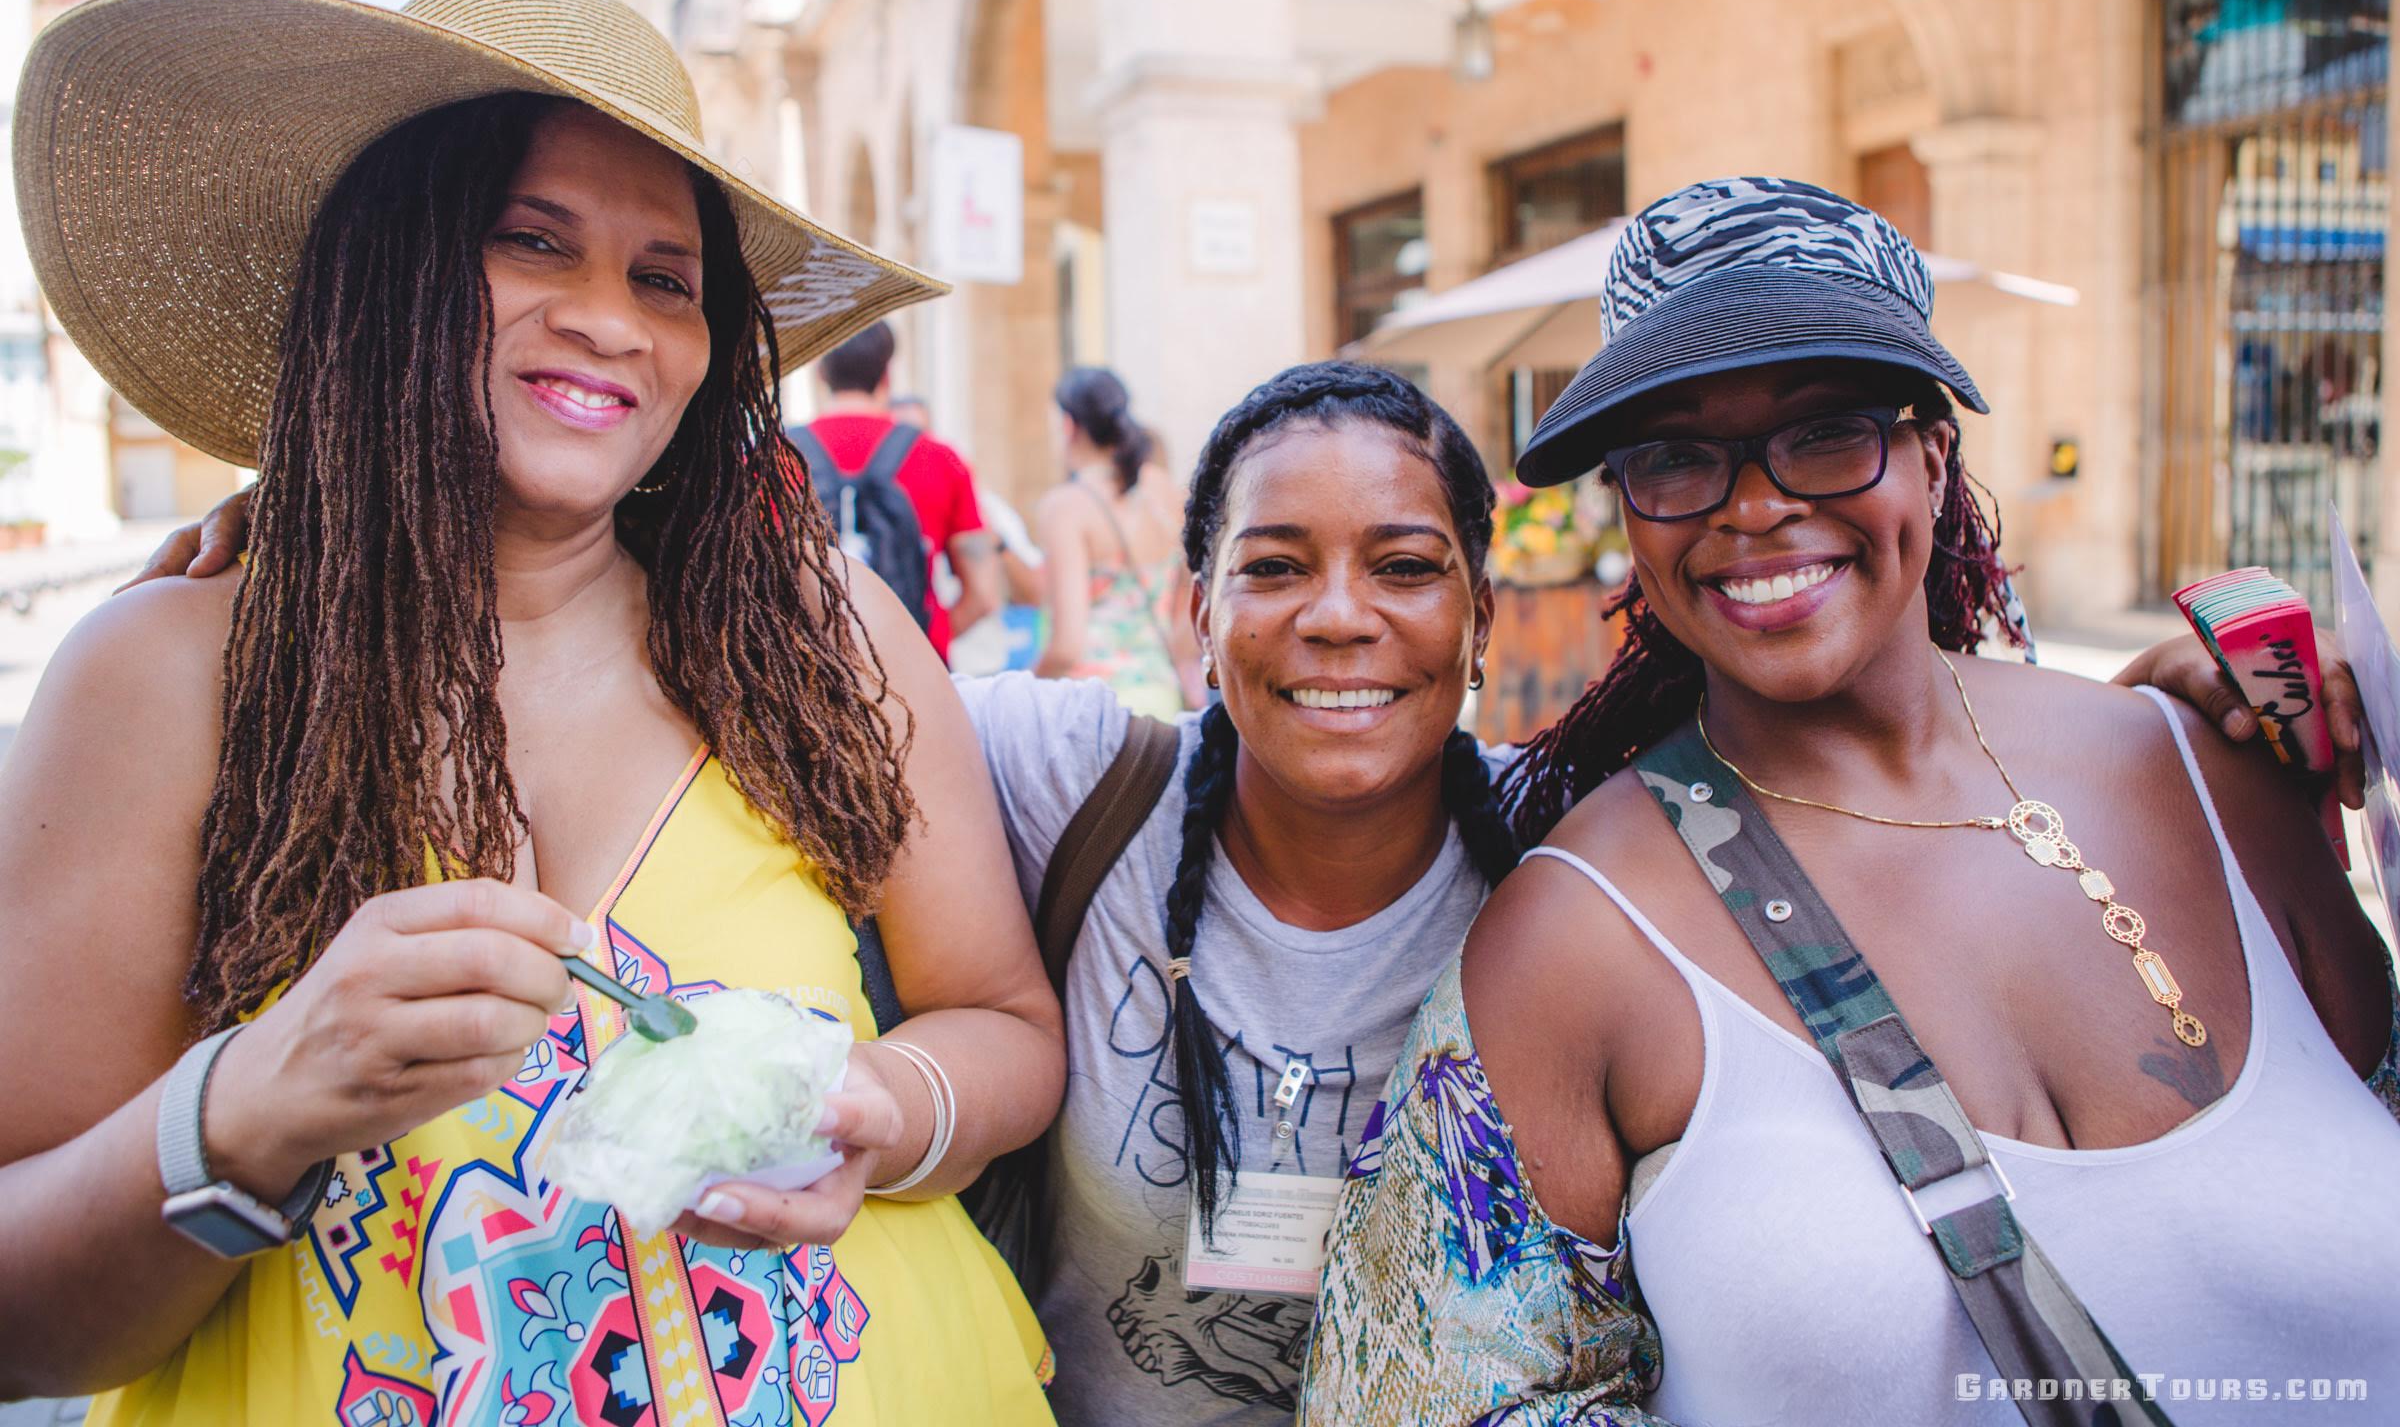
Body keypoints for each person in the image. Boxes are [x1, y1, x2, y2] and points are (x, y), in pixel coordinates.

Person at [130, 374, 2364, 1427]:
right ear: (1188, 618)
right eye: (1272, 567)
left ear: (1485, 614)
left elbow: (1927, 830)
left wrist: (2182, 682)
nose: (1340, 620)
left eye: (1406, 565)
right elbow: (713, 623)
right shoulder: (1054, 781)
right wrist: (332, 500)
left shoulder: (1616, 887)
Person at [0, 0, 1062, 1425]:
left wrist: (889, 1112)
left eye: (665, 278)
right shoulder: (173, 675)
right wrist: (249, 1106)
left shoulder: (826, 637)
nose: (610, 322)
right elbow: (22, 1326)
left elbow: (1003, 1023)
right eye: (531, 242)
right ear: (391, 274)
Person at [1299, 180, 2400, 1424]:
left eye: (1826, 431)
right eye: (1674, 456)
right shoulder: (1572, 942)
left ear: (1935, 456)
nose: (1755, 505)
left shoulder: (2214, 777)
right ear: (1629, 516)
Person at [797, 321, 1000, 662]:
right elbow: (984, 596)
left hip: (802, 681)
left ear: (819, 372)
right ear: (887, 374)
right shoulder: (940, 458)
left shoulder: (769, 457)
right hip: (914, 683)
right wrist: (926, 642)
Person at [1032, 366, 1198, 718]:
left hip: (1090, 710)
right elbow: (1189, 606)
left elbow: (1066, 645)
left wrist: (1023, 692)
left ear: (1068, 425)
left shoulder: (1066, 508)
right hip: (1160, 697)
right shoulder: (1165, 491)